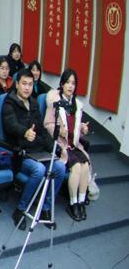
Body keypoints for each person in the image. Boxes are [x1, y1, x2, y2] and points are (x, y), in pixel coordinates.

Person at [3, 71, 65, 230]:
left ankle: (45, 207)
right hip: (20, 153)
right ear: (17, 84)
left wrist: (56, 149)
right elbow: (10, 125)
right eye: (24, 84)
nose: (27, 88)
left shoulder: (34, 103)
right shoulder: (9, 102)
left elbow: (42, 131)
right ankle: (21, 209)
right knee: (39, 169)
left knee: (60, 167)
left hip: (38, 151)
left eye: (30, 84)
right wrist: (25, 132)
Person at [44, 70, 92, 222]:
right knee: (76, 166)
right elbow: (47, 124)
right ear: (62, 84)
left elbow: (75, 128)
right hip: (61, 145)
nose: (70, 86)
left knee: (85, 165)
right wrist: (59, 131)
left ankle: (81, 201)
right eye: (67, 83)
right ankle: (72, 203)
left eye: (73, 83)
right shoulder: (55, 102)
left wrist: (82, 128)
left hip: (74, 144)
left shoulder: (76, 104)